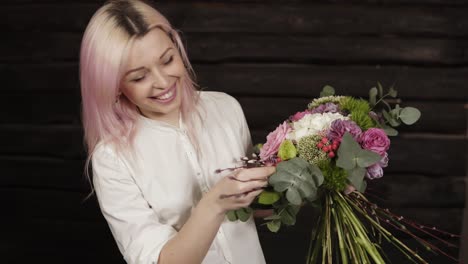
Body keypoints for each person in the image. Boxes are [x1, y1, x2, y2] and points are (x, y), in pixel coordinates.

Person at [79, 0, 275, 263]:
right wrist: (213, 205)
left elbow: (253, 207)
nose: (162, 82)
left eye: (168, 60)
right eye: (139, 77)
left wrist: (311, 180)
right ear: (113, 85)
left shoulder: (226, 108)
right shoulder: (112, 158)